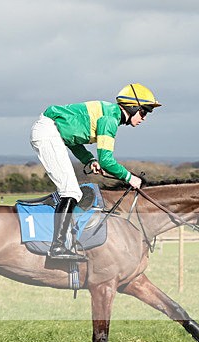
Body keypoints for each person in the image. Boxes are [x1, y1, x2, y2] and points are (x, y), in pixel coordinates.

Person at [30, 83, 162, 261]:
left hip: (51, 131)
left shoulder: (110, 113)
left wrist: (89, 160)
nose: (144, 118)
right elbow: (106, 160)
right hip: (48, 132)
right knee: (71, 192)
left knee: (72, 191)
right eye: (144, 112)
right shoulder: (110, 119)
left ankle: (63, 241)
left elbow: (71, 138)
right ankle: (58, 247)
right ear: (133, 107)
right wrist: (130, 177)